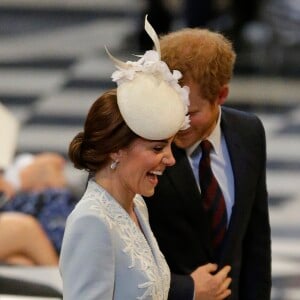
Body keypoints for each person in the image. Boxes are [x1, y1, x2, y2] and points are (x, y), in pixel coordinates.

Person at [59, 16, 202, 300]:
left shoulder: (136, 205)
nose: (170, 160)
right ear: (116, 149)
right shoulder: (93, 222)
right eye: (157, 148)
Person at [144, 28, 272, 300]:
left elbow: (255, 240)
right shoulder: (142, 146)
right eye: (171, 107)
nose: (178, 123)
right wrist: (185, 289)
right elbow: (117, 250)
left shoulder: (248, 132)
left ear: (221, 95)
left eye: (190, 112)